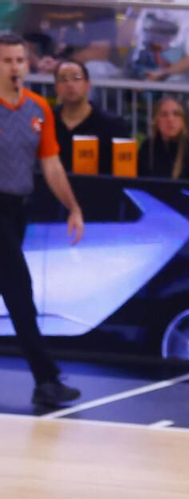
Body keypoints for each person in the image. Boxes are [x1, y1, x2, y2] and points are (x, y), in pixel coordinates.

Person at [0, 32, 83, 409]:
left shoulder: (38, 109)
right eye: (6, 61)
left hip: (18, 207)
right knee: (19, 290)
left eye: (19, 60)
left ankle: (45, 380)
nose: (15, 67)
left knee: (16, 294)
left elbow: (50, 164)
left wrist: (72, 206)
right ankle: (46, 380)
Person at [51, 59, 130, 175]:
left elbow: (125, 174)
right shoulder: (46, 122)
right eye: (63, 80)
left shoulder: (113, 126)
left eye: (76, 78)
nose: (70, 84)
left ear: (88, 85)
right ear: (56, 88)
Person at [136, 94, 189, 181]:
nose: (170, 119)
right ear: (156, 120)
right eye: (164, 114)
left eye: (176, 114)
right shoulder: (147, 149)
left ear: (183, 121)